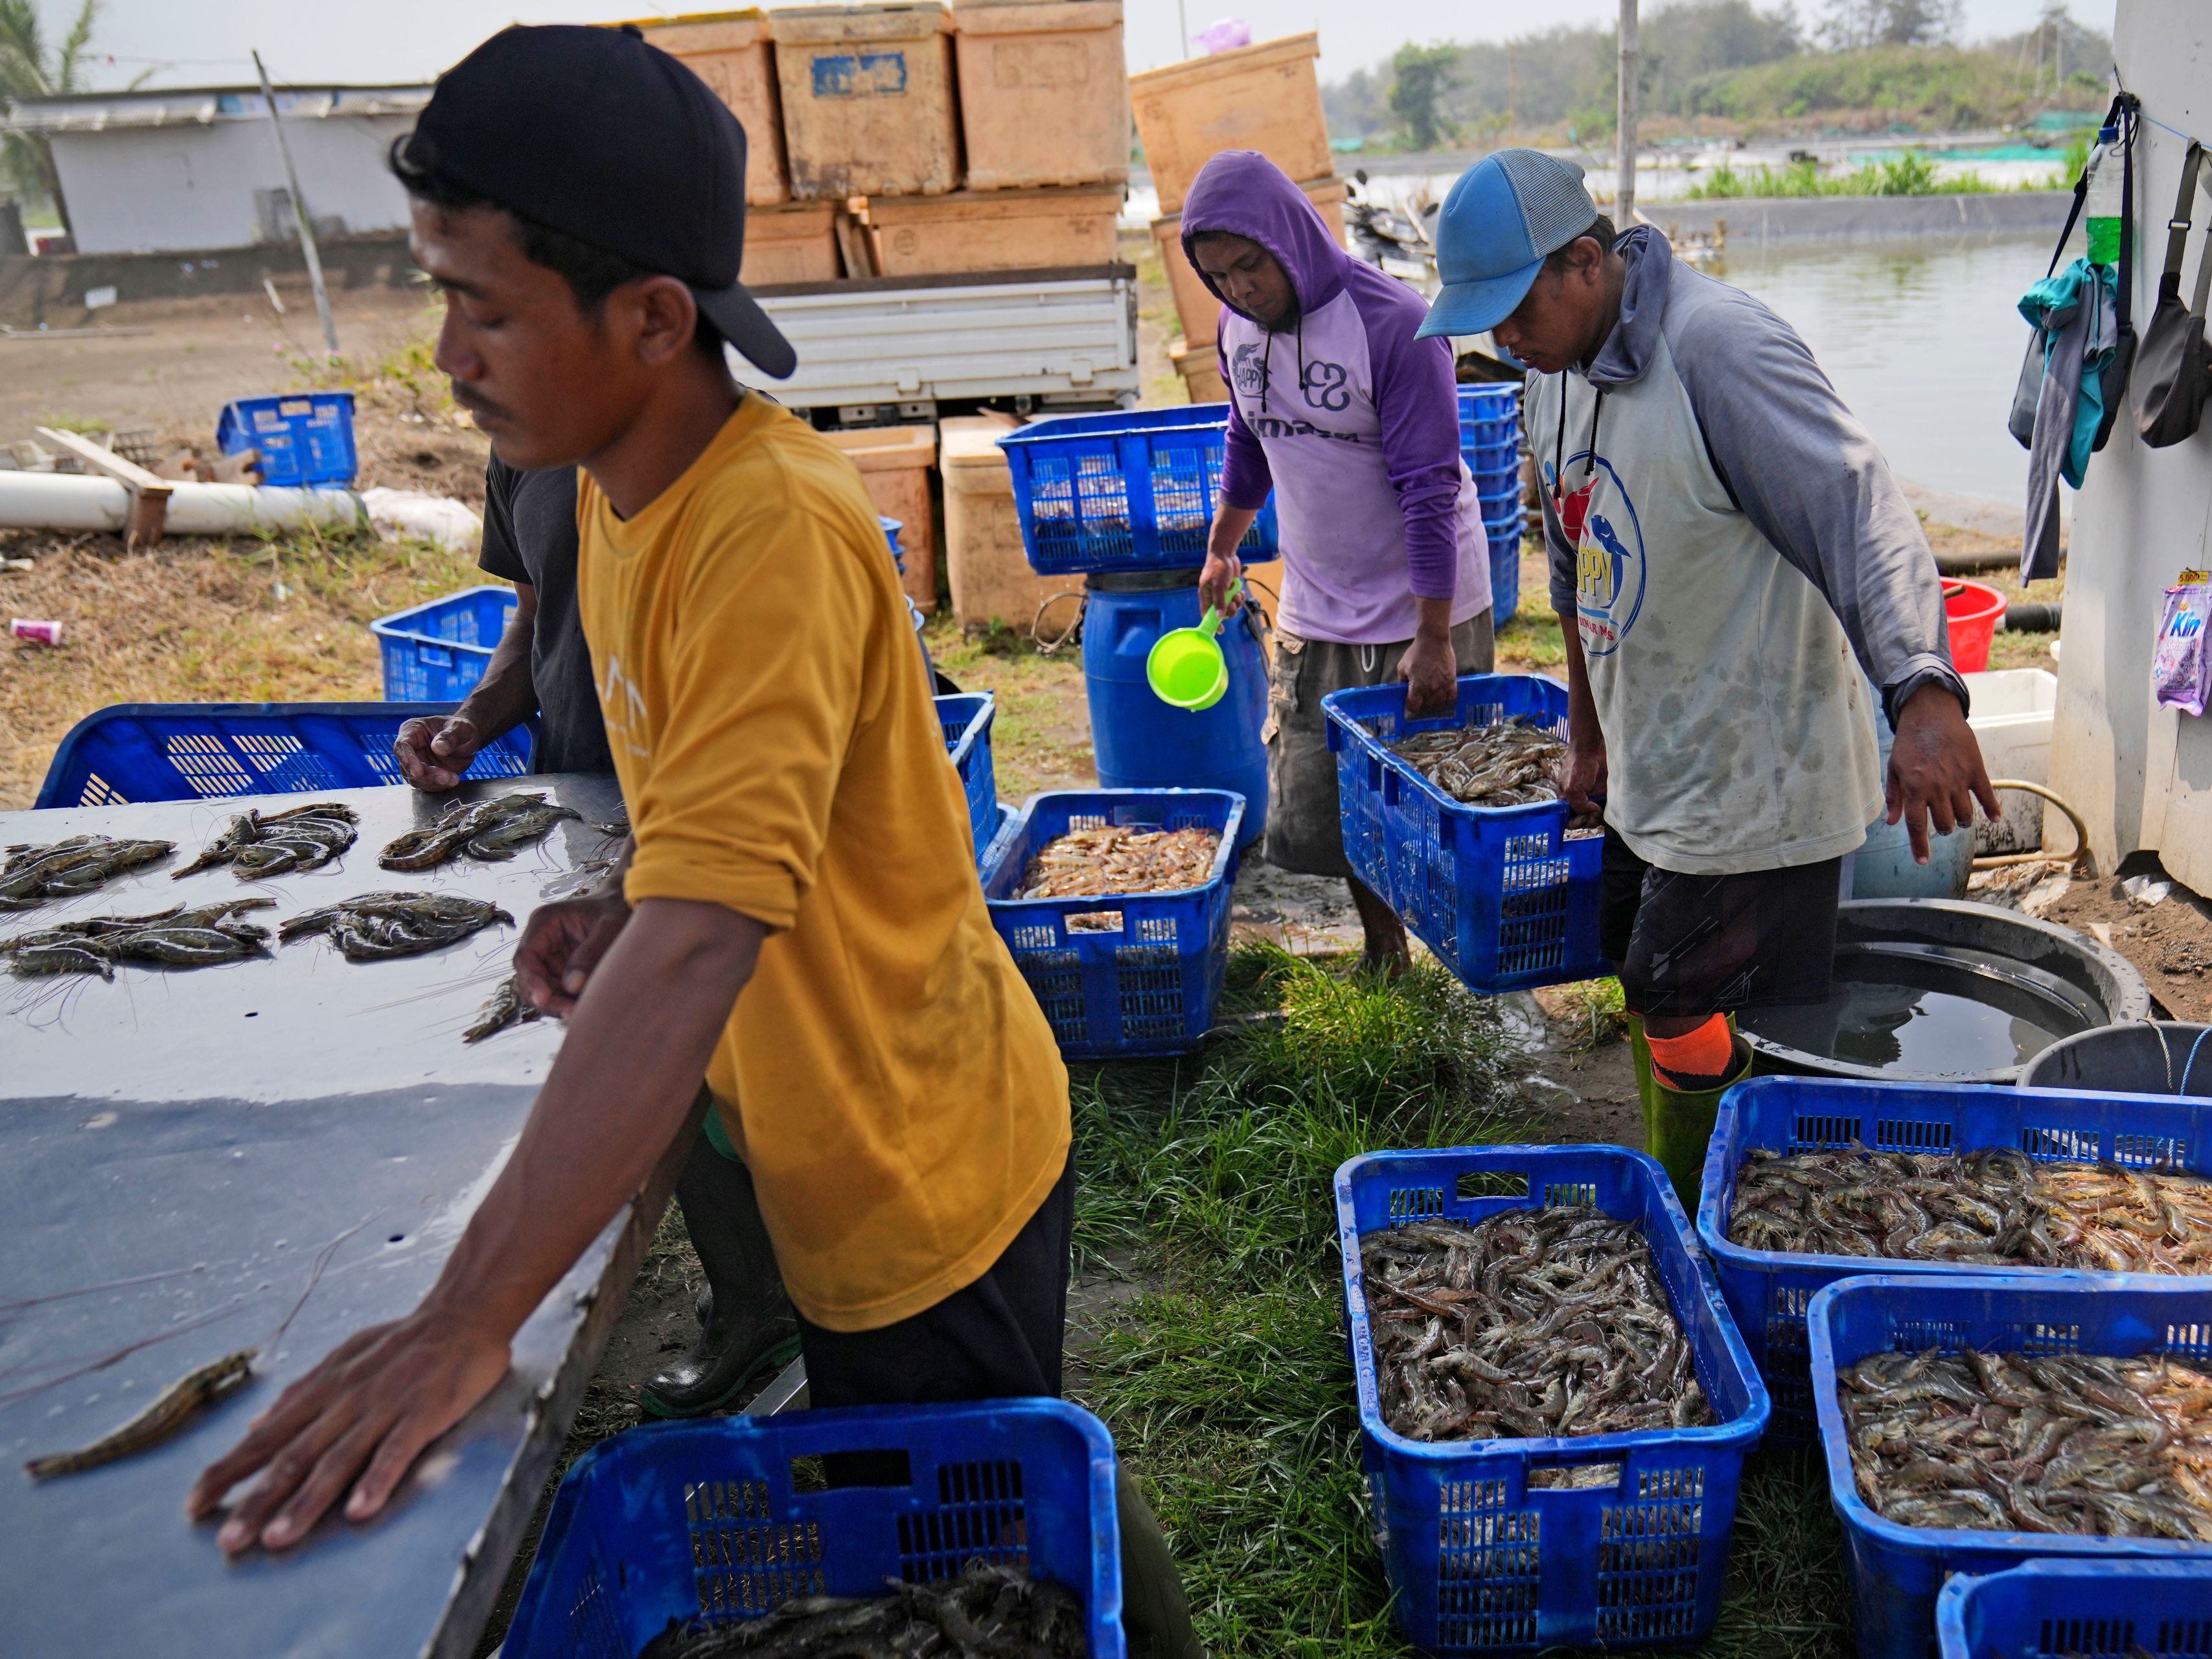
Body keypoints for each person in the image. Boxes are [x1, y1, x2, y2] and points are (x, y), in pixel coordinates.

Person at [191, 29, 1200, 1656]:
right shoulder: (612, 487)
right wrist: (622, 893)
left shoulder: (766, 530)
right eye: (440, 293)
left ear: (653, 320)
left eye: (489, 304)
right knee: (996, 1467)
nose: (447, 351)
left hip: (918, 1155)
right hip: (839, 1142)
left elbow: (702, 948)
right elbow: (720, 832)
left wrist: (465, 1319)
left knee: (992, 1507)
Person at [1419, 151, 1999, 1200]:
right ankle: (1707, 1175)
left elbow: (1862, 516)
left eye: (1510, 309)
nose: (1499, 341)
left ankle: (1721, 1213)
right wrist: (1588, 736)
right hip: (1654, 755)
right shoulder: (1550, 380)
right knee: (1643, 979)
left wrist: (1922, 689)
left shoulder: (1719, 351)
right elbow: (1571, 561)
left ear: (1585, 262)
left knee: (1685, 994)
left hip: (1758, 767)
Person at [391, 461, 801, 1422]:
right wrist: (474, 719)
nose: (468, 365)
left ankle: (773, 1295)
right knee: (642, 1042)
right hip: (582, 791)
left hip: (694, 811)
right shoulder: (522, 445)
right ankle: (755, 1283)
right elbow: (537, 616)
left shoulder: (707, 460)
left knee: (712, 1049)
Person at [1182, 150, 1497, 971]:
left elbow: (1430, 489)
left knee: (1439, 790)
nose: (1238, 289)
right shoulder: (1234, 331)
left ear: (1288, 239)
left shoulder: (1394, 324)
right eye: (1218, 276)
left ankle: (1462, 957)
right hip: (1318, 598)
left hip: (1425, 600)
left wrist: (1431, 636)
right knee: (1331, 803)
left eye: (1249, 266)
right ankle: (1384, 948)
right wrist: (1222, 546)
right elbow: (1247, 438)